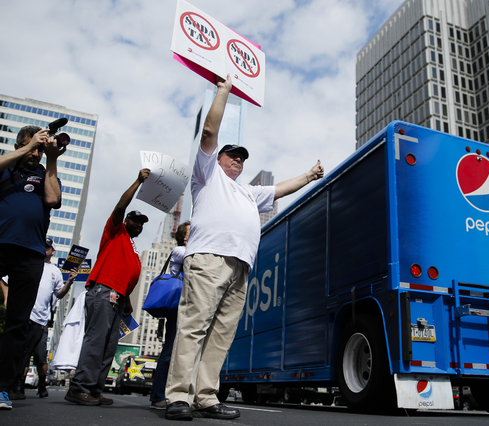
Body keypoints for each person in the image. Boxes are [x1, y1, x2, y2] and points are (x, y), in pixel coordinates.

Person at [164, 75, 324, 421]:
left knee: (222, 335)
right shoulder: (206, 176)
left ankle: (206, 396)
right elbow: (209, 133)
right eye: (231, 156)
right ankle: (179, 396)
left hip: (241, 268)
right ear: (217, 159)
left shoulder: (248, 193)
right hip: (209, 259)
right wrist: (223, 91)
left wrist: (309, 176)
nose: (237, 161)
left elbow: (280, 189)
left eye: (241, 158)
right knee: (194, 326)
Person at [65, 169, 150, 406]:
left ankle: (94, 390)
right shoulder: (115, 232)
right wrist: (138, 181)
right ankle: (78, 387)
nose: (139, 225)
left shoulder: (132, 248)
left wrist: (128, 303)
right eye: (136, 220)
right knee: (96, 340)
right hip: (103, 292)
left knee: (108, 344)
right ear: (126, 221)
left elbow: (127, 278)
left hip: (118, 298)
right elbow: (120, 206)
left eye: (143, 223)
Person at [0, 125, 65, 410]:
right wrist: (27, 147)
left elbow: (53, 199)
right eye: (31, 147)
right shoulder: (7, 169)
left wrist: (51, 158)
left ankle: (2, 388)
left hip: (30, 255)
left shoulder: (44, 174)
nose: (34, 153)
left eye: (38, 149)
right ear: (19, 145)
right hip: (2, 245)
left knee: (17, 324)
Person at [10, 237, 77, 400]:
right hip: (24, 315)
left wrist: (69, 282)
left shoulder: (55, 271)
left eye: (48, 247)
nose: (44, 249)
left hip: (41, 320)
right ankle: (17, 386)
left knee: (38, 355)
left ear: (53, 251)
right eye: (43, 246)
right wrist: (7, 300)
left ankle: (41, 384)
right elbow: (6, 280)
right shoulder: (29, 263)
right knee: (19, 352)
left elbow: (60, 294)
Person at [149, 221, 190, 410]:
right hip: (177, 307)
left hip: (189, 307)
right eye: (192, 231)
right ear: (183, 237)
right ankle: (157, 395)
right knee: (169, 352)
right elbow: (195, 258)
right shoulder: (180, 251)